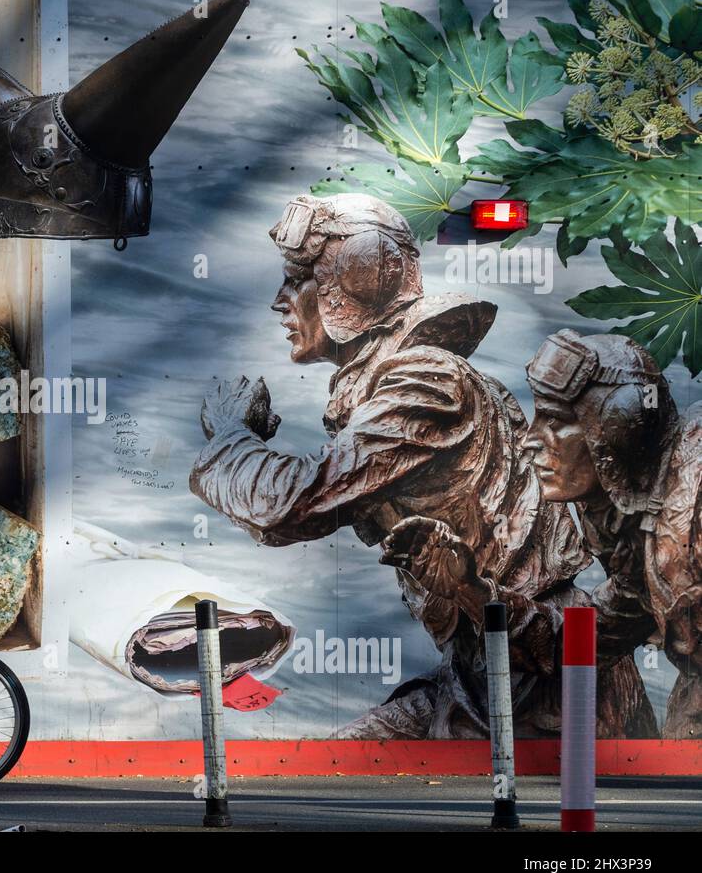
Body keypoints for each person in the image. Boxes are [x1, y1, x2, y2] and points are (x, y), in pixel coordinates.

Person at [189, 192, 656, 738]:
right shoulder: (399, 382)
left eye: (297, 280)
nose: (280, 301)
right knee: (338, 772)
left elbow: (290, 507)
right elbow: (290, 518)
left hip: (542, 676)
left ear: (351, 281)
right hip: (488, 665)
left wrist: (229, 438)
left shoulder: (425, 381)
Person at [388, 330, 700, 736]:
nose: (531, 440)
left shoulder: (693, 489)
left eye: (554, 419)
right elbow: (583, 642)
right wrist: (473, 590)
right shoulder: (638, 526)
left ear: (616, 426)